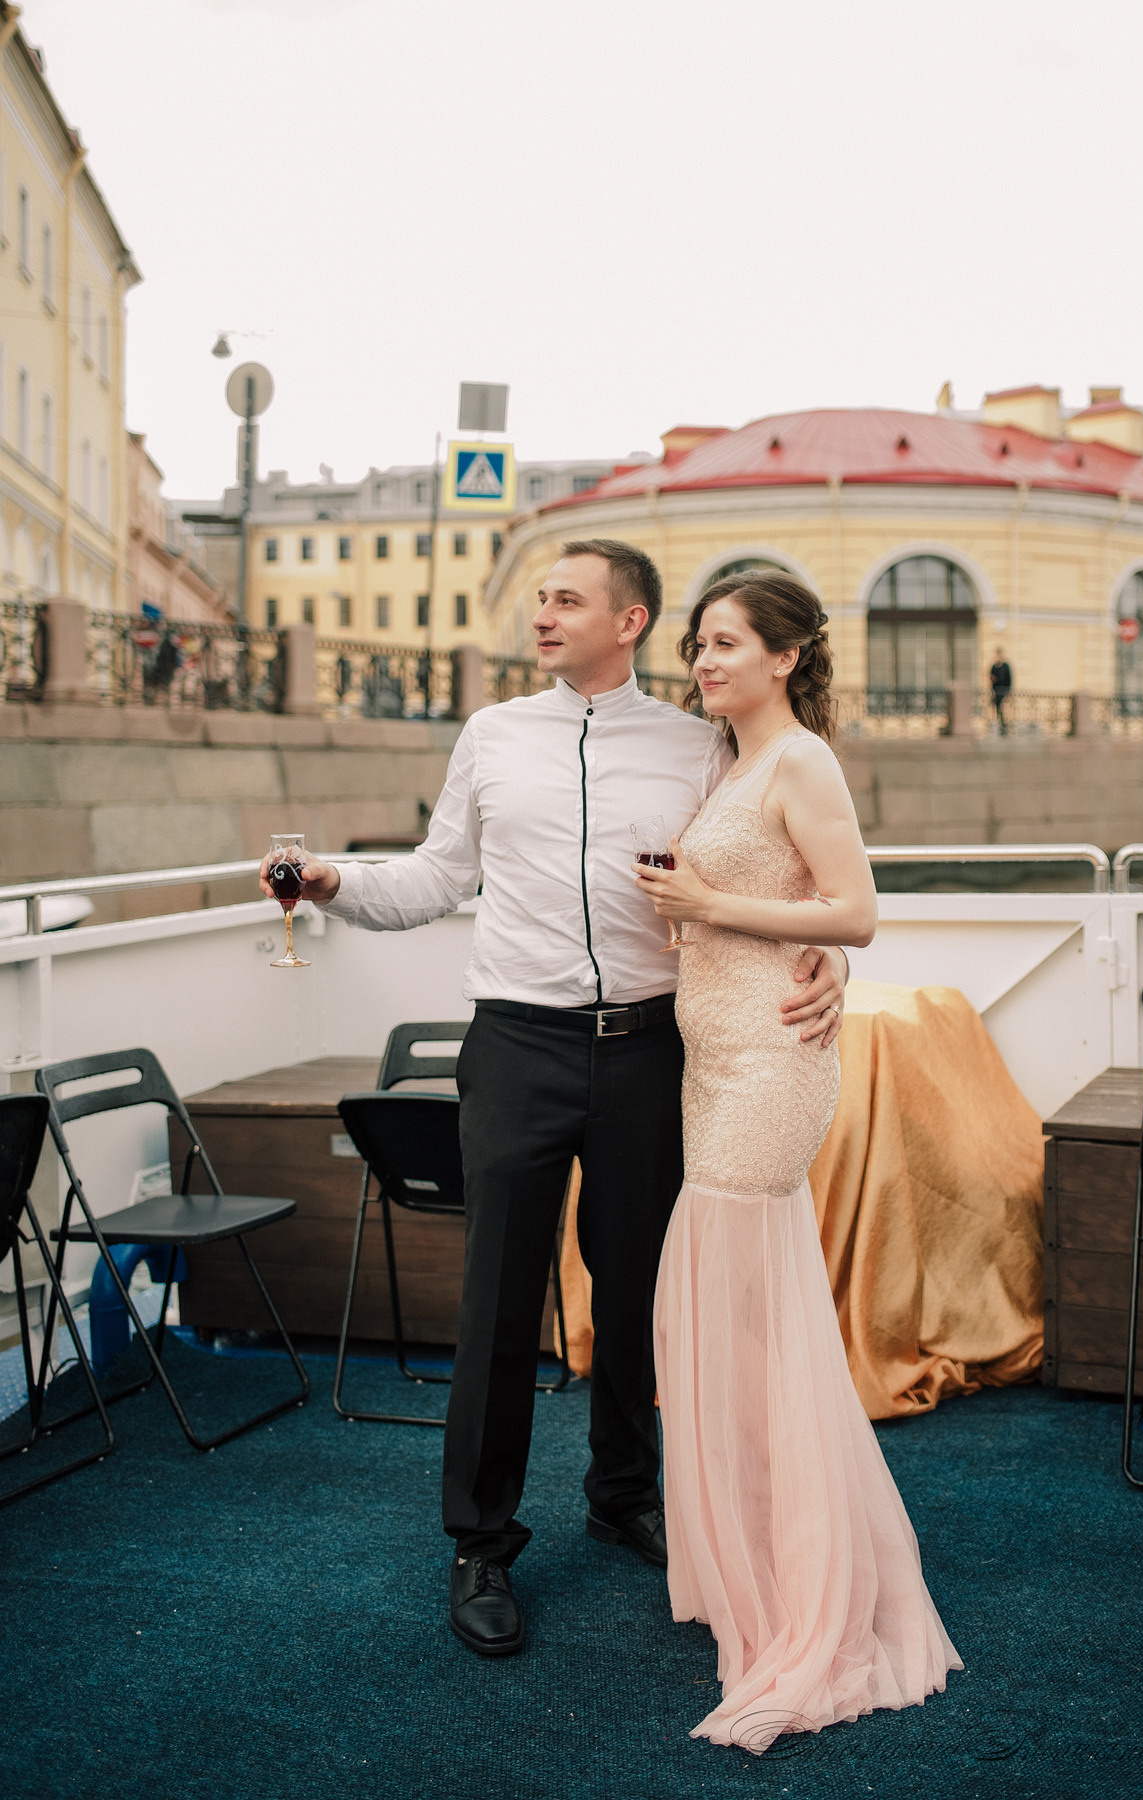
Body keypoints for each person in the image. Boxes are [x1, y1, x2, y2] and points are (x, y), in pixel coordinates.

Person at [259, 540, 848, 1657]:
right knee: (497, 1296)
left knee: (633, 1289)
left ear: (629, 622)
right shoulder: (491, 736)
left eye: (565, 599)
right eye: (538, 598)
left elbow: (777, 874)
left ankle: (623, 1493)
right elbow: (438, 875)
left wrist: (835, 962)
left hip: (652, 1048)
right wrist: (336, 884)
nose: (541, 614)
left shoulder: (700, 745)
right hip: (516, 1044)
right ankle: (479, 1538)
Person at [634, 571, 961, 1752]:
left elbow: (855, 911)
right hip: (709, 1057)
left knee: (732, 1295)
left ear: (783, 657)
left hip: (770, 1065)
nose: (701, 659)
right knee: (735, 1311)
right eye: (696, 643)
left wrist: (712, 903)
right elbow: (773, 907)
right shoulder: (724, 764)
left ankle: (803, 1584)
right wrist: (708, 910)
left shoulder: (799, 762)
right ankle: (753, 1552)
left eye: (722, 643)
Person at [989, 647, 1012, 735]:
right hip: (996, 692)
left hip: (1004, 691)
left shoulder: (1006, 666)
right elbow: (991, 679)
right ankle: (999, 725)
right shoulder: (994, 667)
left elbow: (1009, 679)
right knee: (997, 709)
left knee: (1005, 708)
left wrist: (1009, 692)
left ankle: (1005, 726)